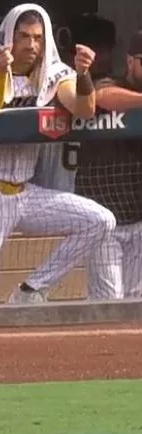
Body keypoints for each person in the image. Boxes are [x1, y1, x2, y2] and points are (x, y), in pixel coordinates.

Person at [0, 4, 113, 305]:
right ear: (9, 37)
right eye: (24, 37)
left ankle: (31, 291)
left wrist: (84, 74)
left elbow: (84, 108)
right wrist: (0, 72)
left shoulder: (52, 73)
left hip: (23, 193)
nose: (32, 45)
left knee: (98, 221)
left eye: (37, 37)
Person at [75, 30, 142, 300]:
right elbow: (100, 95)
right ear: (130, 63)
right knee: (107, 304)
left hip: (140, 222)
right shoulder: (111, 82)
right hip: (106, 222)